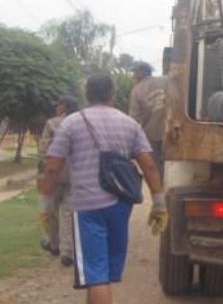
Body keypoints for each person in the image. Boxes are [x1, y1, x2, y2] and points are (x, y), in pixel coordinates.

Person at [40, 74, 166, 304]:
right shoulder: (130, 124)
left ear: (87, 95)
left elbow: (52, 169)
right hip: (120, 205)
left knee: (96, 275)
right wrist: (159, 204)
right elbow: (149, 165)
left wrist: (46, 205)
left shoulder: (71, 123)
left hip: (87, 208)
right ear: (112, 94)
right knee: (103, 273)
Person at [38, 95, 79, 267]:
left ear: (63, 107)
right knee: (69, 213)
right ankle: (68, 252)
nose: (56, 108)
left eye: (58, 105)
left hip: (54, 173)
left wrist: (42, 172)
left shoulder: (52, 123)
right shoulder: (82, 122)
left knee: (49, 211)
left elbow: (44, 150)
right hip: (76, 174)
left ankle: (54, 245)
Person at [128, 61, 166, 178]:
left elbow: (134, 118)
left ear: (142, 72)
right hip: (171, 131)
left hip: (150, 135)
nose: (133, 76)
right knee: (170, 163)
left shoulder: (137, 90)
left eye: (135, 72)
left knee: (155, 166)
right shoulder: (166, 81)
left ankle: (160, 189)